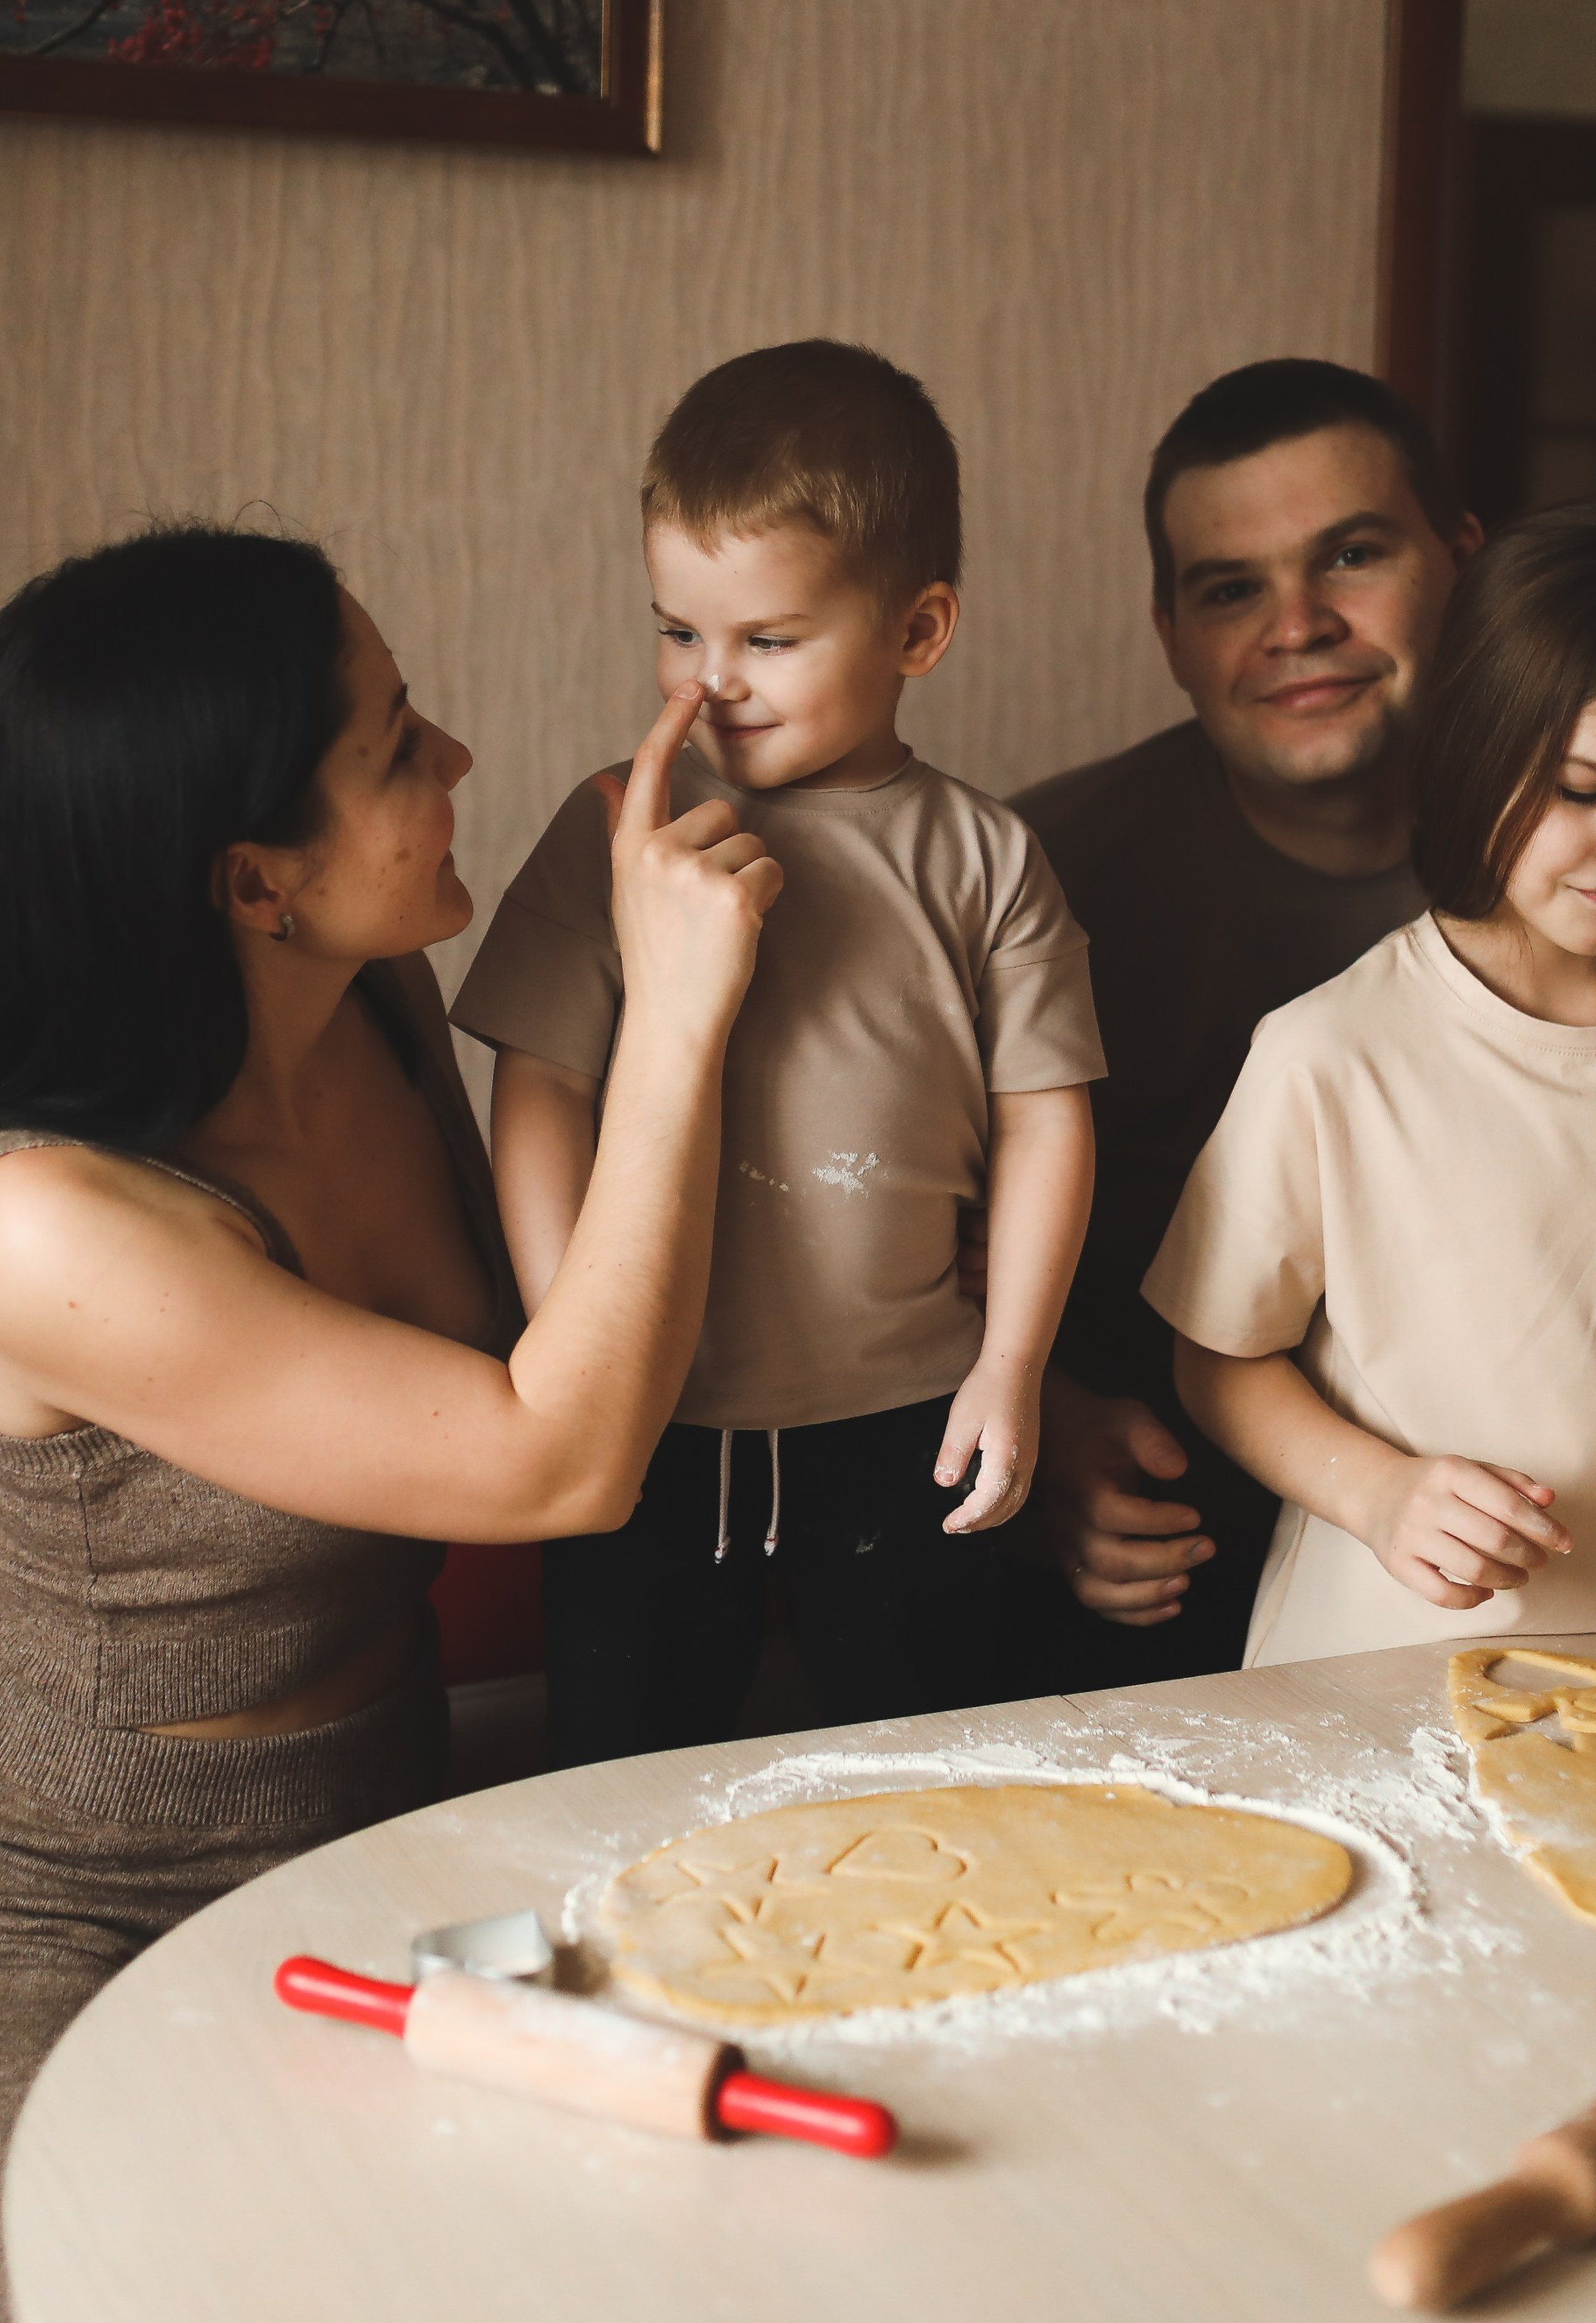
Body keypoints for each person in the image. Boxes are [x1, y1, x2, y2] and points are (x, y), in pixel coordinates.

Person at [0, 524, 778, 2182]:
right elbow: (558, 1458)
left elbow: (590, 1315)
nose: (459, 760)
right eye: (395, 747)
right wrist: (679, 1010)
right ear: (251, 882)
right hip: (83, 1926)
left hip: (390, 1837)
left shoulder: (374, 995)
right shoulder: (47, 1226)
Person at [453, 339, 1102, 1767]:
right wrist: (571, 1334)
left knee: (921, 1760)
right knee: (617, 1764)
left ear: (917, 630)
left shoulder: (985, 857)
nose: (709, 684)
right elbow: (540, 1085)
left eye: (766, 639)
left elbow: (1048, 1119)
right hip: (653, 1428)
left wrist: (1011, 1364)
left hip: (903, 1414)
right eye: (675, 632)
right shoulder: (618, 827)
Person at [1012, 359, 1482, 1684]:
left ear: (1460, 560)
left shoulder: (1564, 852)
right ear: (1167, 631)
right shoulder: (1032, 878)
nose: (1296, 624)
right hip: (1153, 1516)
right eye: (1230, 589)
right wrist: (1042, 1436)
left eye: (1348, 556)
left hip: (1504, 1504)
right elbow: (891, 1229)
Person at [1145, 499, 1596, 1663]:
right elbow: (1219, 1352)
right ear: (1479, 752)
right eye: (1581, 793)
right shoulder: (1334, 1055)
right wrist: (1381, 1494)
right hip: (1391, 1670)